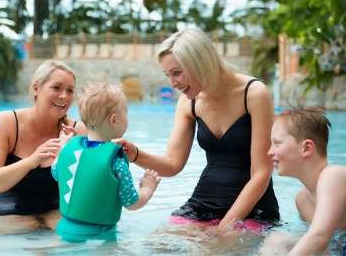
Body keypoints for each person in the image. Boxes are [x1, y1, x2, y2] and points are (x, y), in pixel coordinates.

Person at [115, 28, 280, 233]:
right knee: (158, 242)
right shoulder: (188, 102)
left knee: (216, 248)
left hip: (253, 208)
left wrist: (224, 228)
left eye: (177, 73)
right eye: (168, 75)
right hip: (203, 203)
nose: (173, 83)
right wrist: (135, 154)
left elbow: (262, 173)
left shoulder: (254, 93)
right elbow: (172, 164)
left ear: (199, 62)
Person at [0, 60, 86, 232]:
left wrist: (69, 154)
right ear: (36, 89)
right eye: (57, 88)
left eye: (70, 91)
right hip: (8, 211)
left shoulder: (77, 132)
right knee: (21, 229)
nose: (64, 96)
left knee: (69, 233)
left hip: (55, 211)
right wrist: (32, 160)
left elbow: (89, 189)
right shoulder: (7, 123)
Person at [51, 82, 161, 242]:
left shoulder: (69, 149)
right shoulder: (115, 161)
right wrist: (148, 188)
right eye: (126, 113)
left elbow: (55, 172)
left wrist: (61, 148)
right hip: (99, 237)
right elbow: (131, 202)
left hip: (65, 230)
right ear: (114, 120)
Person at [261, 107, 346, 255]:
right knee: (276, 239)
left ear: (306, 148)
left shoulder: (334, 176)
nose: (269, 152)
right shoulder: (302, 200)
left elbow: (319, 238)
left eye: (277, 143)